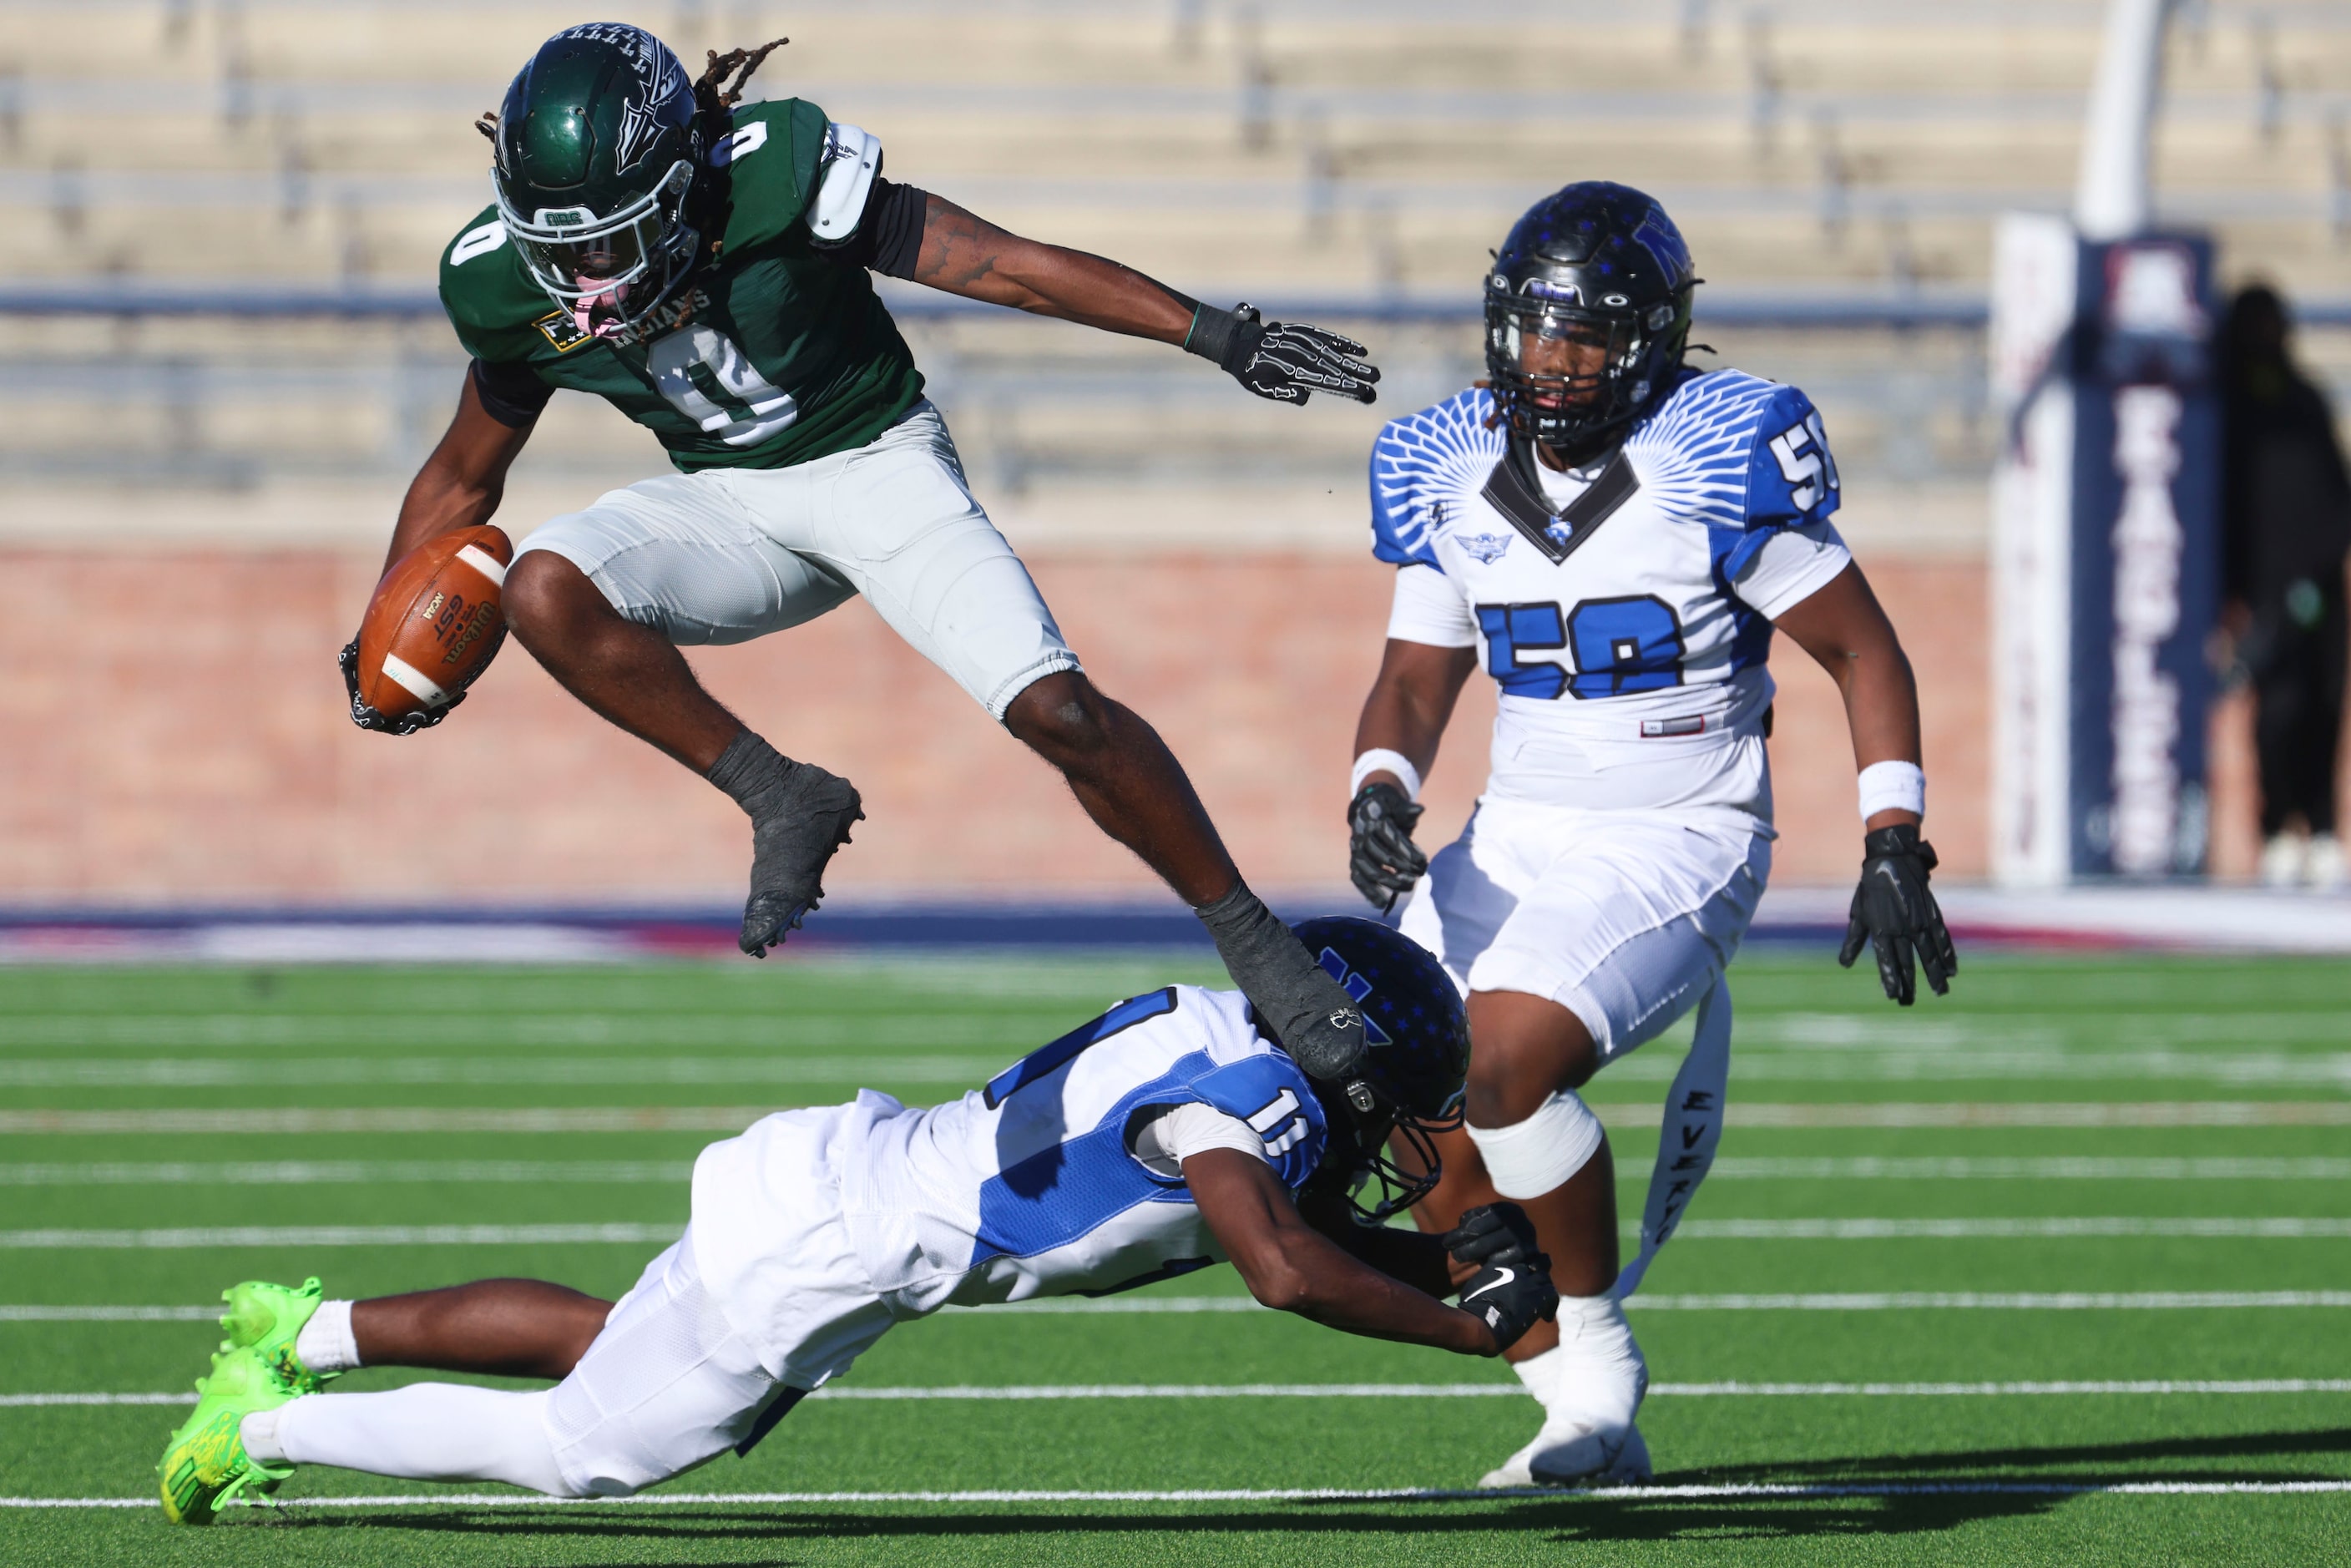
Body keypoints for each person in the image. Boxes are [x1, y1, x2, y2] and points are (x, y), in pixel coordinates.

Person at [345, 24, 1378, 1077]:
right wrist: (380, 631)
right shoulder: (507, 282)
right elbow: (466, 472)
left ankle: (1263, 952)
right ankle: (779, 792)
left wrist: (1213, 334)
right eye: (554, 245)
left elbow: (1003, 266)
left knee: (1056, 712)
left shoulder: (774, 176)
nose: (578, 273)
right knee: (543, 589)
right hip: (730, 507)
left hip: (876, 463)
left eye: (605, 241)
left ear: (673, 185)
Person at [154, 918, 1559, 1524]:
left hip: (844, 1163)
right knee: (578, 1455)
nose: (1388, 1132)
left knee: (607, 1338)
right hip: (841, 1247)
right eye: (1387, 1101)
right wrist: (1453, 1321)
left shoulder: (1213, 1033)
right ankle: (248, 1426)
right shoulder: (1233, 1112)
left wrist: (1443, 1255)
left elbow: (1284, 1216)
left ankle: (304, 1326)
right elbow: (1276, 1264)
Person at [1339, 183, 1957, 1488]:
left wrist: (1892, 832)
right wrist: (1384, 782)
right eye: (1535, 329)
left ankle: (1599, 1339)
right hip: (1516, 828)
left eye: (1587, 334)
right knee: (1393, 1100)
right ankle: (1579, 1409)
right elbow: (1414, 674)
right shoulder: (1441, 459)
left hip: (1680, 825)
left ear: (1653, 340)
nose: (1553, 362)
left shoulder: (1713, 449)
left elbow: (1862, 648)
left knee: (1502, 1056)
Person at [2220, 285, 2351, 890]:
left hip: (2319, 588)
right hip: (2265, 592)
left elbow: (2332, 495)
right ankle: (2276, 831)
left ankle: (2323, 829)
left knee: (2323, 707)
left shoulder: (2303, 400)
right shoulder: (2227, 410)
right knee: (2277, 713)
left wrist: (2322, 568)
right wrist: (2232, 592)